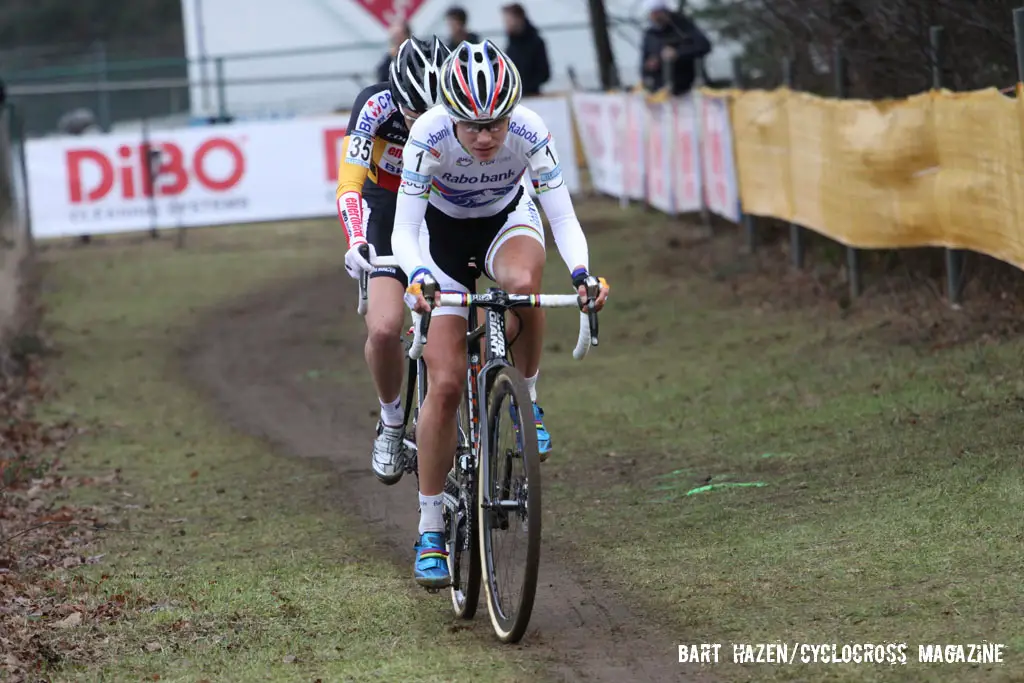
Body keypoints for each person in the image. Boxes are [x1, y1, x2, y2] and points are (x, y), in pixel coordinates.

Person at [391, 40, 610, 588]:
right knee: (442, 384)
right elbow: (402, 229)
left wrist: (582, 275)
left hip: (506, 221)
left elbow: (561, 214)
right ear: (451, 117)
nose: (487, 137)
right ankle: (431, 525)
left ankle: (527, 400)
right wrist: (417, 276)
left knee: (522, 285)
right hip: (438, 242)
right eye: (473, 126)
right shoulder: (429, 134)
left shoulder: (531, 130)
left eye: (497, 124)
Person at [335, 36, 451, 485]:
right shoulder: (375, 105)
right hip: (386, 204)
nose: (420, 124)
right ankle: (390, 420)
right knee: (383, 328)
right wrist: (356, 238)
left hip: (442, 204)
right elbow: (350, 182)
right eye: (411, 115)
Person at [640, 0, 711, 95]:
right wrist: (649, 66)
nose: (655, 17)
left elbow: (704, 46)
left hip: (688, 88)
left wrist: (677, 53)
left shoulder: (683, 27)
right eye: (653, 14)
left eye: (658, 13)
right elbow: (644, 63)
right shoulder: (650, 35)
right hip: (661, 90)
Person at [501, 3, 550, 97]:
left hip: (532, 96)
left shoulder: (536, 42)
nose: (506, 24)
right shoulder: (511, 46)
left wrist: (525, 87)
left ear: (519, 19)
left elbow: (544, 73)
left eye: (509, 20)